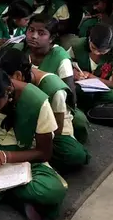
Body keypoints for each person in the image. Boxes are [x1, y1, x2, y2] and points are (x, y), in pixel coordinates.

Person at [0, 66, 68, 220]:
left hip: (21, 157)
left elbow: (44, 153)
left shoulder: (36, 102)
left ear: (8, 91)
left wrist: (3, 157)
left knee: (53, 191)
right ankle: (10, 193)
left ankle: (1, 193)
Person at [0, 47, 90, 172]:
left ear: (17, 75)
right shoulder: (14, 80)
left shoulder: (54, 90)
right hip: (29, 122)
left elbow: (56, 130)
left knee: (72, 154)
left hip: (50, 128)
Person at [19, 14, 88, 142]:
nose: (33, 36)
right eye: (31, 30)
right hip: (24, 103)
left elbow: (70, 95)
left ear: (52, 38)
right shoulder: (20, 50)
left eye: (41, 33)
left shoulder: (60, 57)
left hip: (55, 107)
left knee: (78, 123)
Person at [68, 23, 113, 111]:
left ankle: (85, 106)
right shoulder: (77, 45)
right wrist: (73, 73)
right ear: (89, 39)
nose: (96, 52)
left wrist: (91, 77)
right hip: (80, 86)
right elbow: (64, 64)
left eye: (102, 51)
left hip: (104, 90)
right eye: (93, 47)